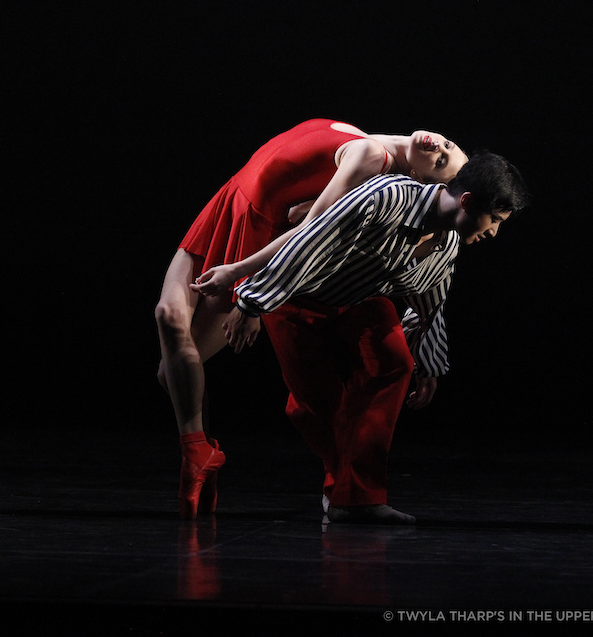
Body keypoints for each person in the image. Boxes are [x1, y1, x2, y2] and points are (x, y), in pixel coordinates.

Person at [155, 119, 468, 519]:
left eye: (441, 161)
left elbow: (308, 230)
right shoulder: (366, 143)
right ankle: (201, 450)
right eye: (448, 146)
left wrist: (251, 292)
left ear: (419, 179)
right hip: (232, 199)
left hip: (258, 232)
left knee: (181, 365)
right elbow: (305, 208)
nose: (439, 147)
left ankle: (197, 452)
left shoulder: (373, 158)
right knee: (168, 327)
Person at [218, 153, 528, 525]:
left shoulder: (447, 244)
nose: (493, 232)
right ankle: (345, 490)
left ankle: (358, 498)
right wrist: (251, 303)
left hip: (360, 298)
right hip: (297, 294)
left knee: (395, 364)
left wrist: (428, 362)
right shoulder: (387, 197)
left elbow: (432, 298)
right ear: (465, 201)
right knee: (316, 406)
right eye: (494, 219)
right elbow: (308, 241)